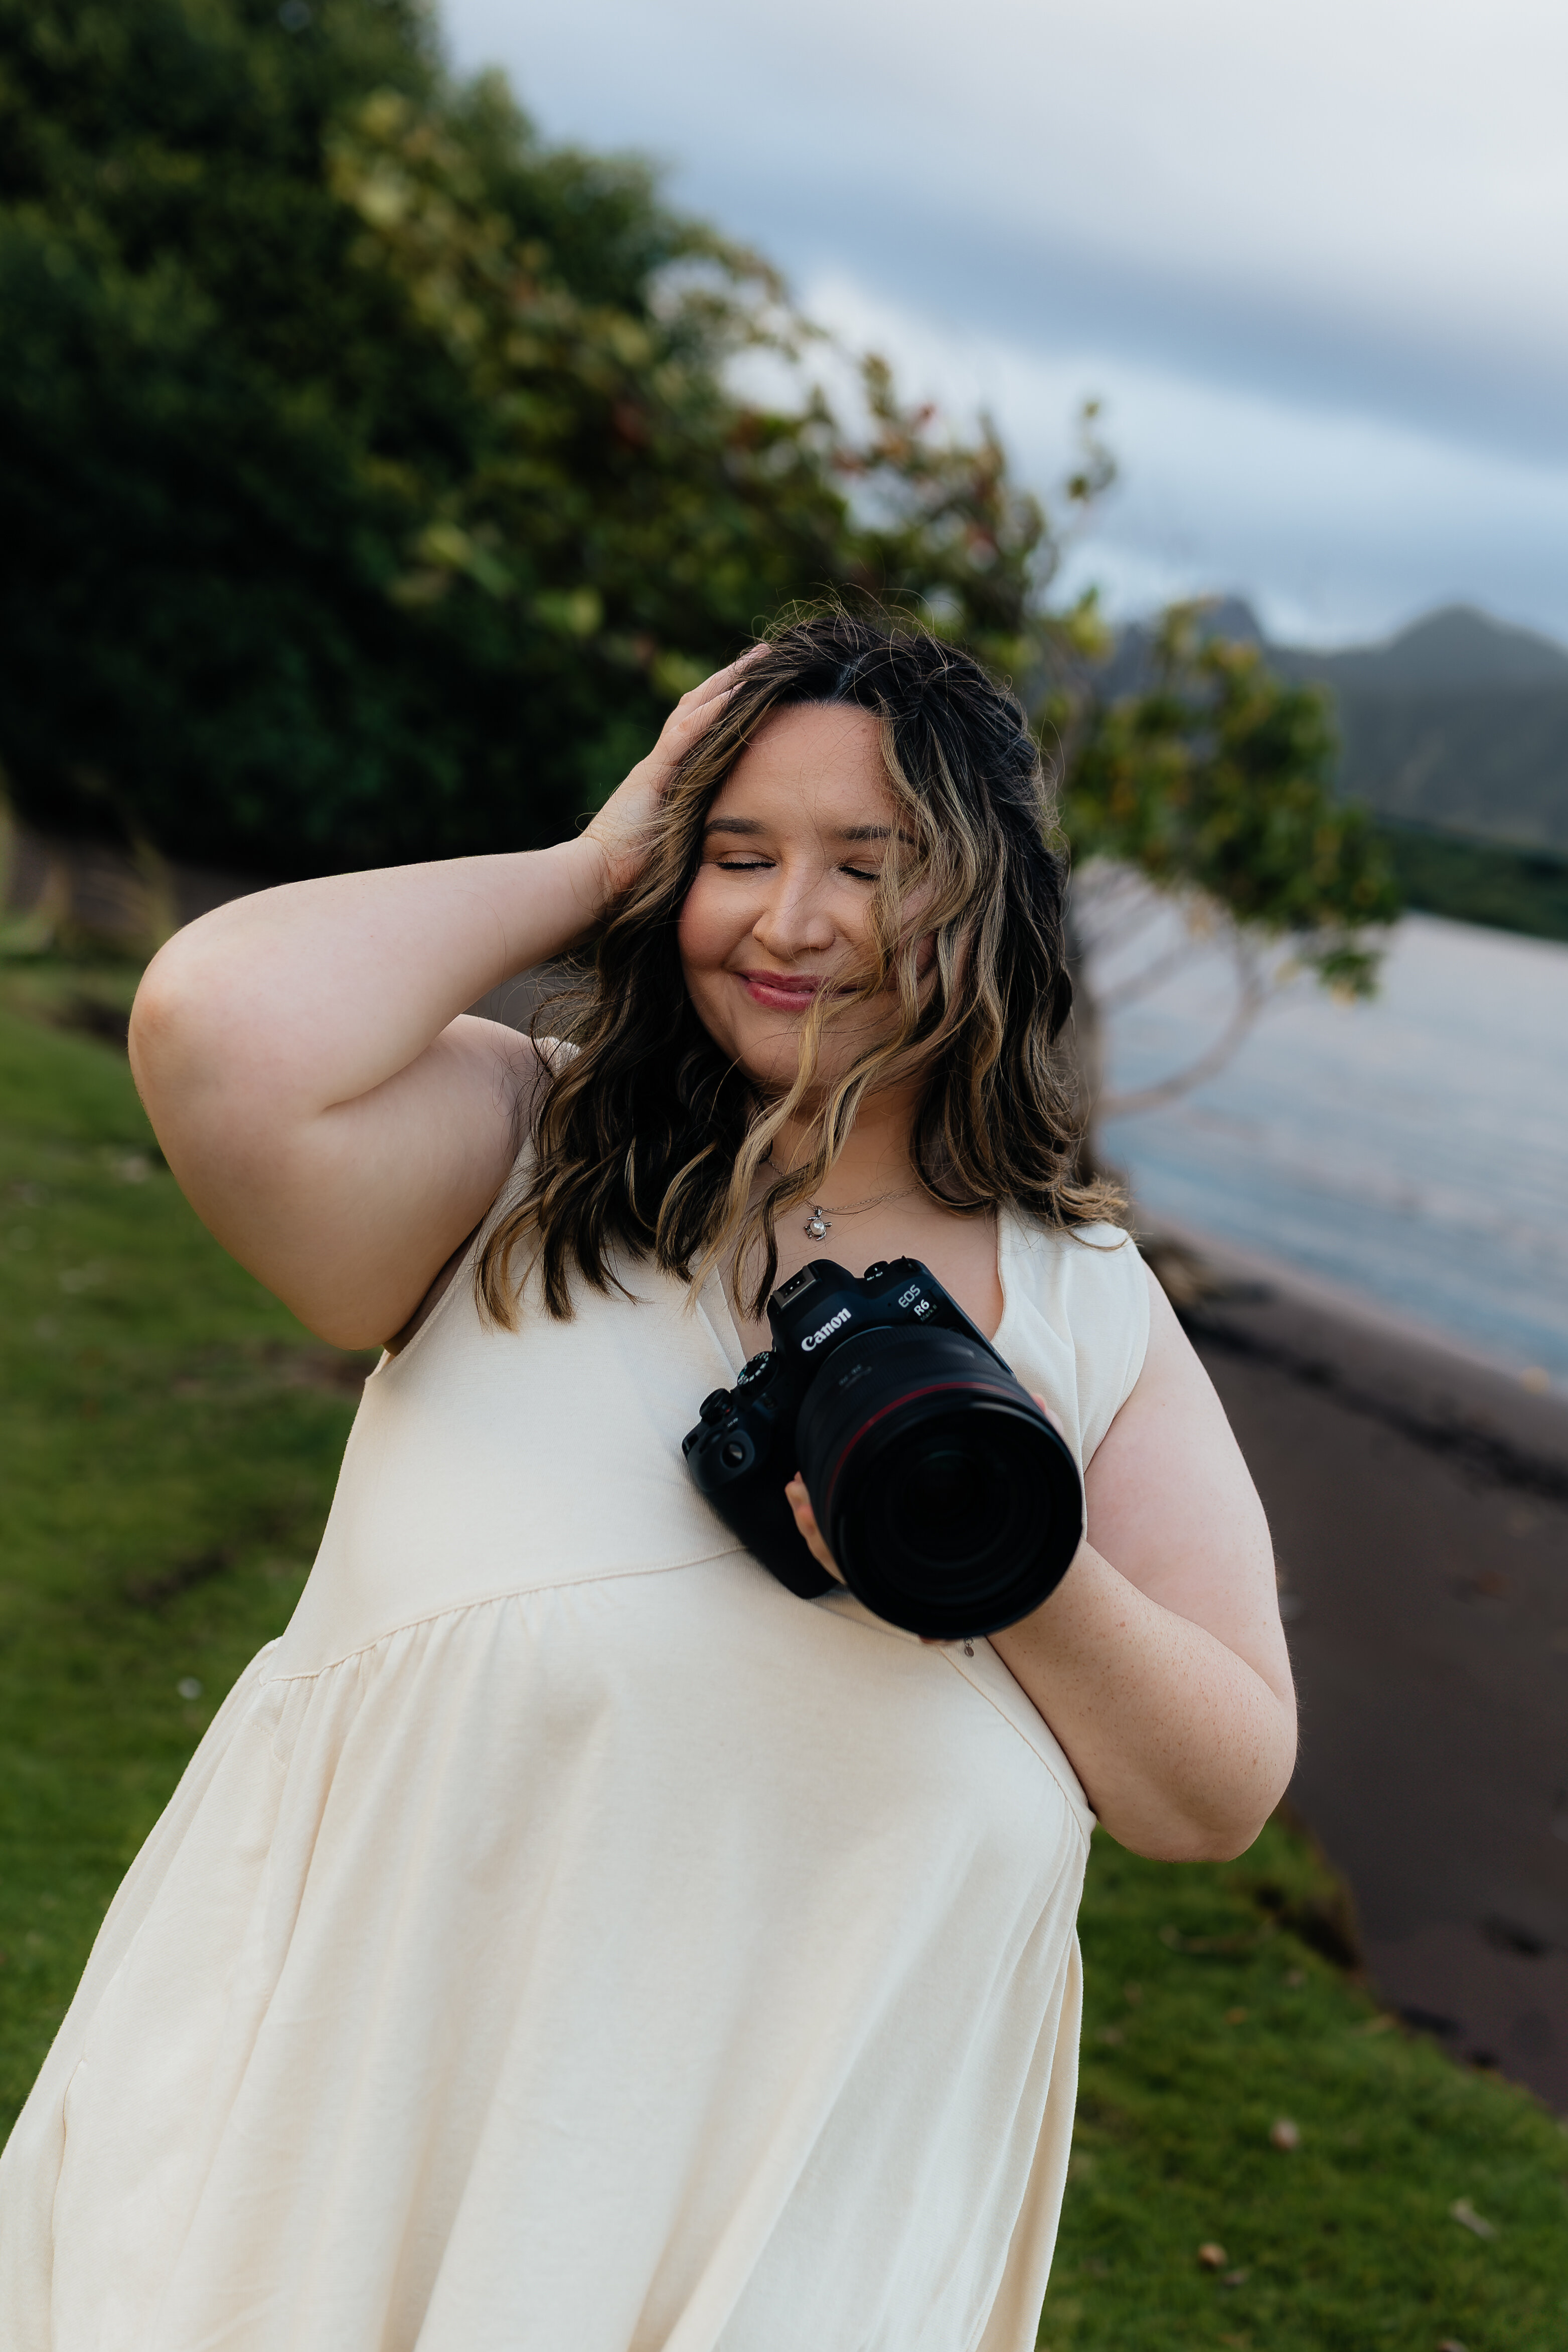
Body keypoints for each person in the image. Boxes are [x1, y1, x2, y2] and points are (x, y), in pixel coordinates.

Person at [0, 614, 1296, 2351]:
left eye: (871, 864)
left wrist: (1004, 1540)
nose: (791, 921)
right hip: (348, 2180)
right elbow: (219, 1023)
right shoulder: (516, 1168)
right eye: (736, 855)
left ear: (982, 903)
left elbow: (1214, 1790)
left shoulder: (1087, 1312)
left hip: (782, 2257)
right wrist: (596, 854)